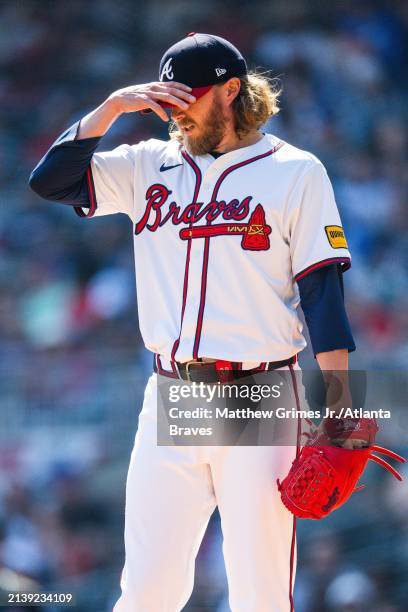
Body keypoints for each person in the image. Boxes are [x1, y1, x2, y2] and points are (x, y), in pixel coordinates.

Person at [29, 33, 355, 612]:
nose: (177, 112)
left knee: (258, 590)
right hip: (172, 392)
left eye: (191, 97)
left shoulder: (294, 171)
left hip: (259, 392)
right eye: (168, 100)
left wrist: (341, 402)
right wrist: (112, 108)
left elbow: (322, 293)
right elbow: (50, 181)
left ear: (232, 91)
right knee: (149, 589)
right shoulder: (148, 164)